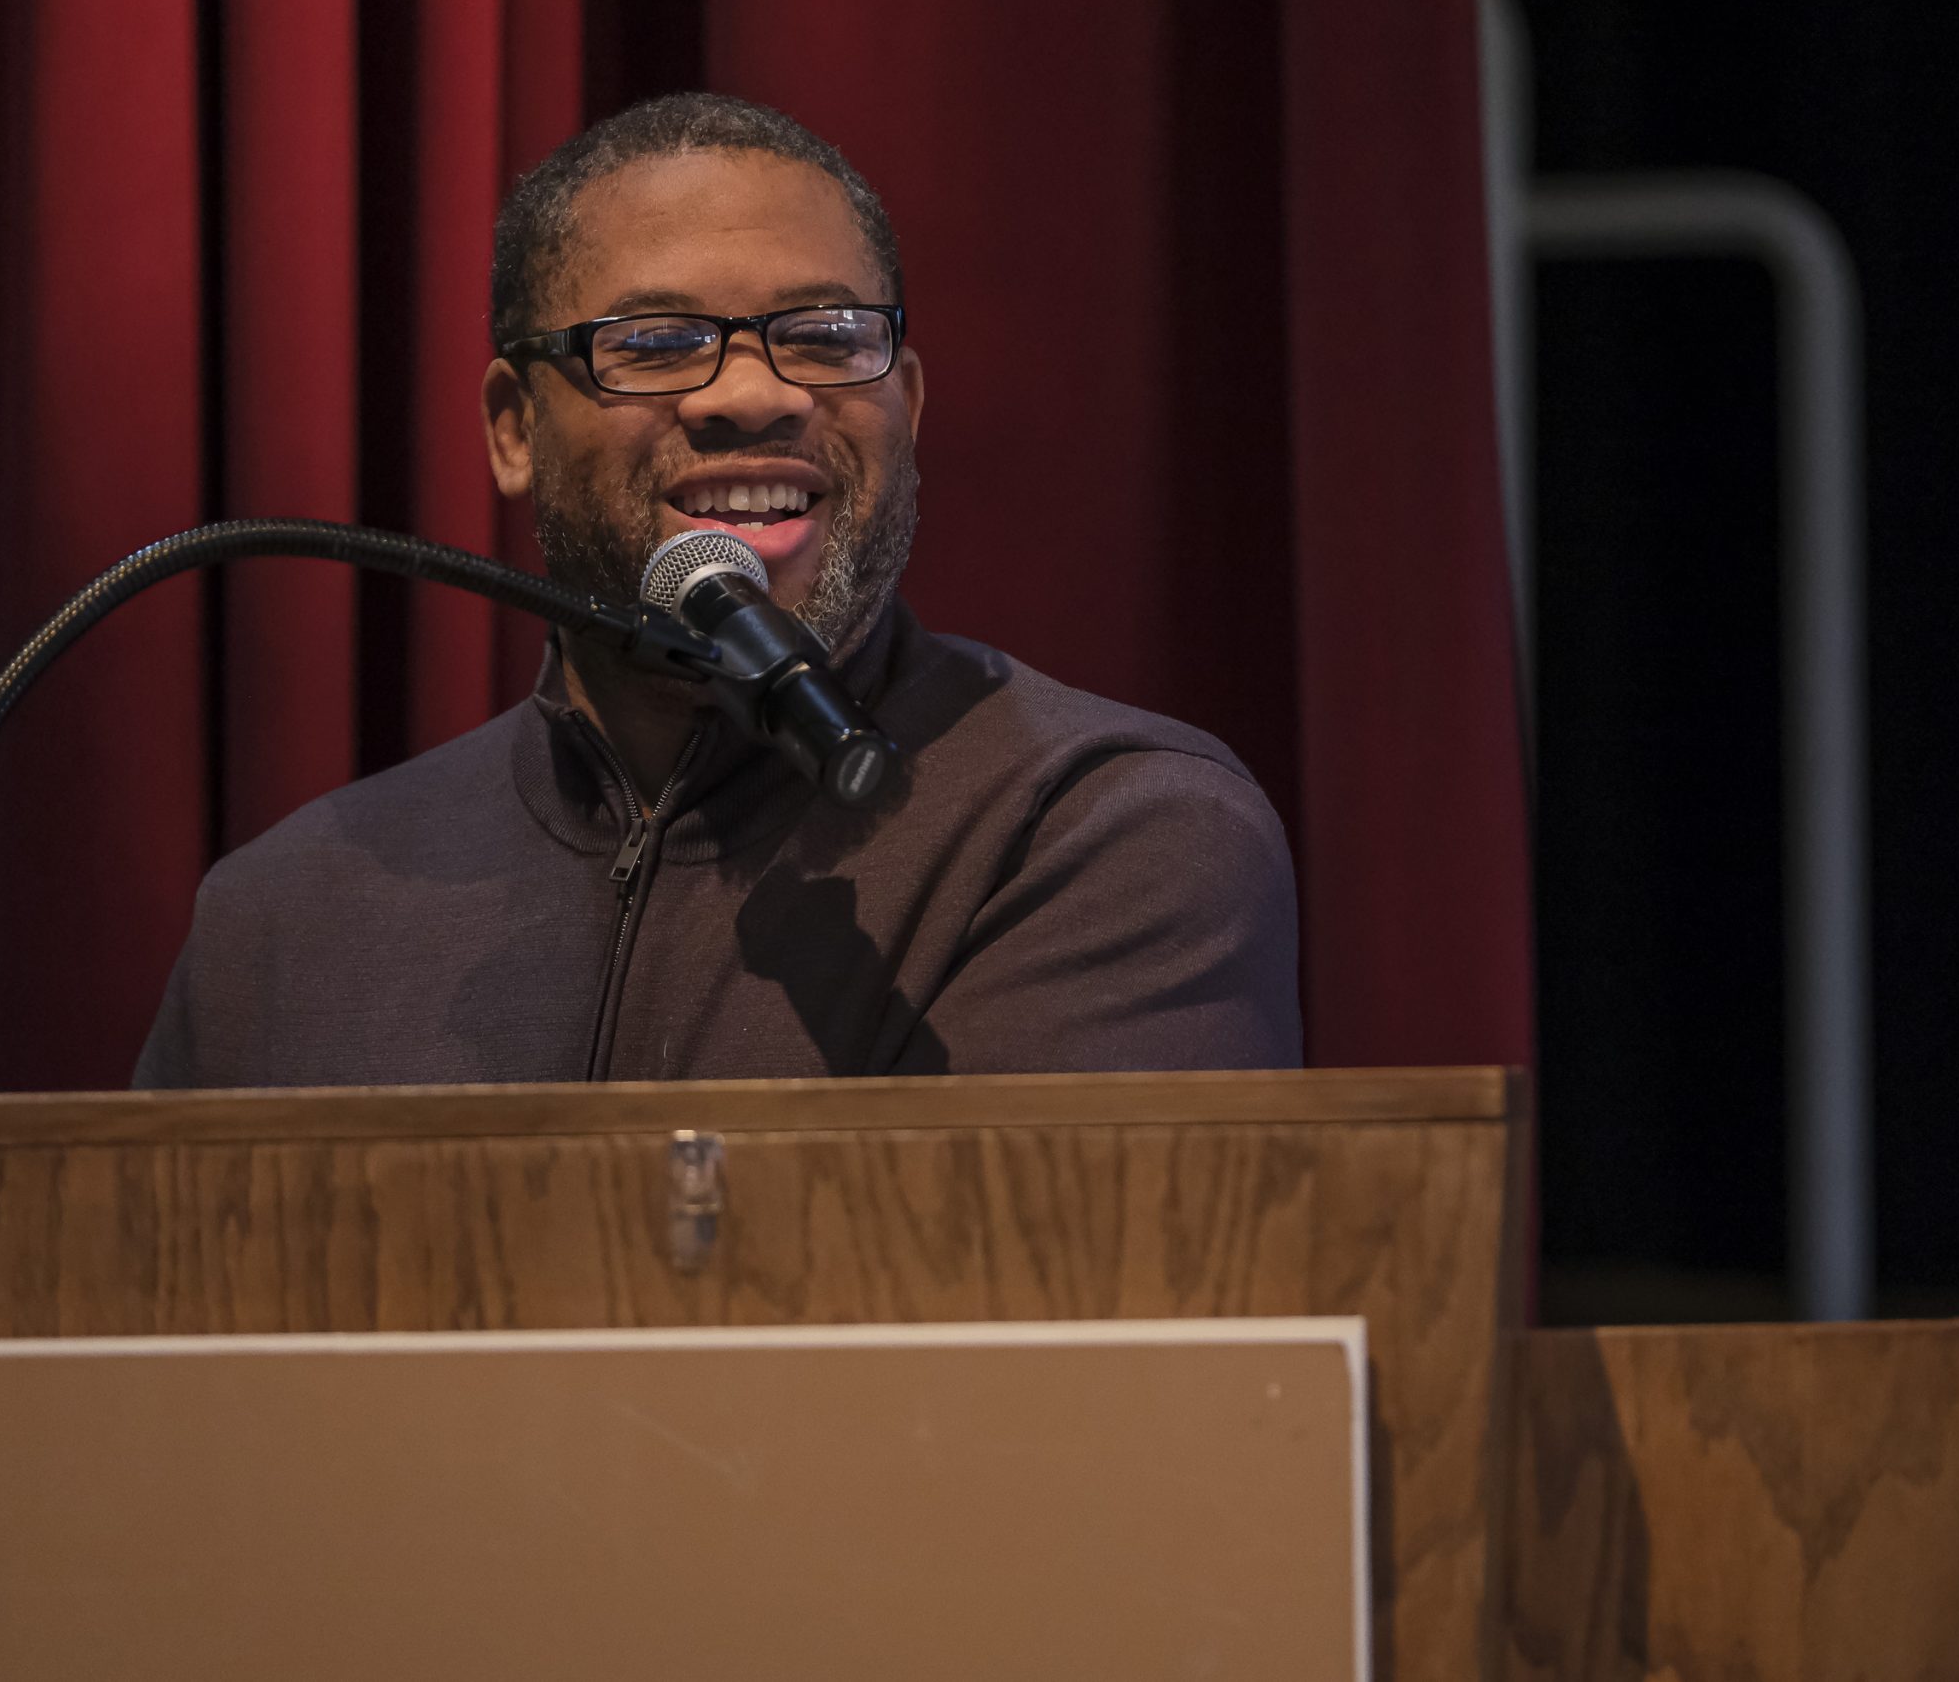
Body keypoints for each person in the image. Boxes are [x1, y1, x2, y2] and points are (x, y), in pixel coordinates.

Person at [133, 93, 1298, 1087]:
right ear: (513, 428)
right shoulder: (283, 914)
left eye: (826, 335)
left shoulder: (1104, 828)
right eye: (655, 344)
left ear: (907, 407)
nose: (752, 395)